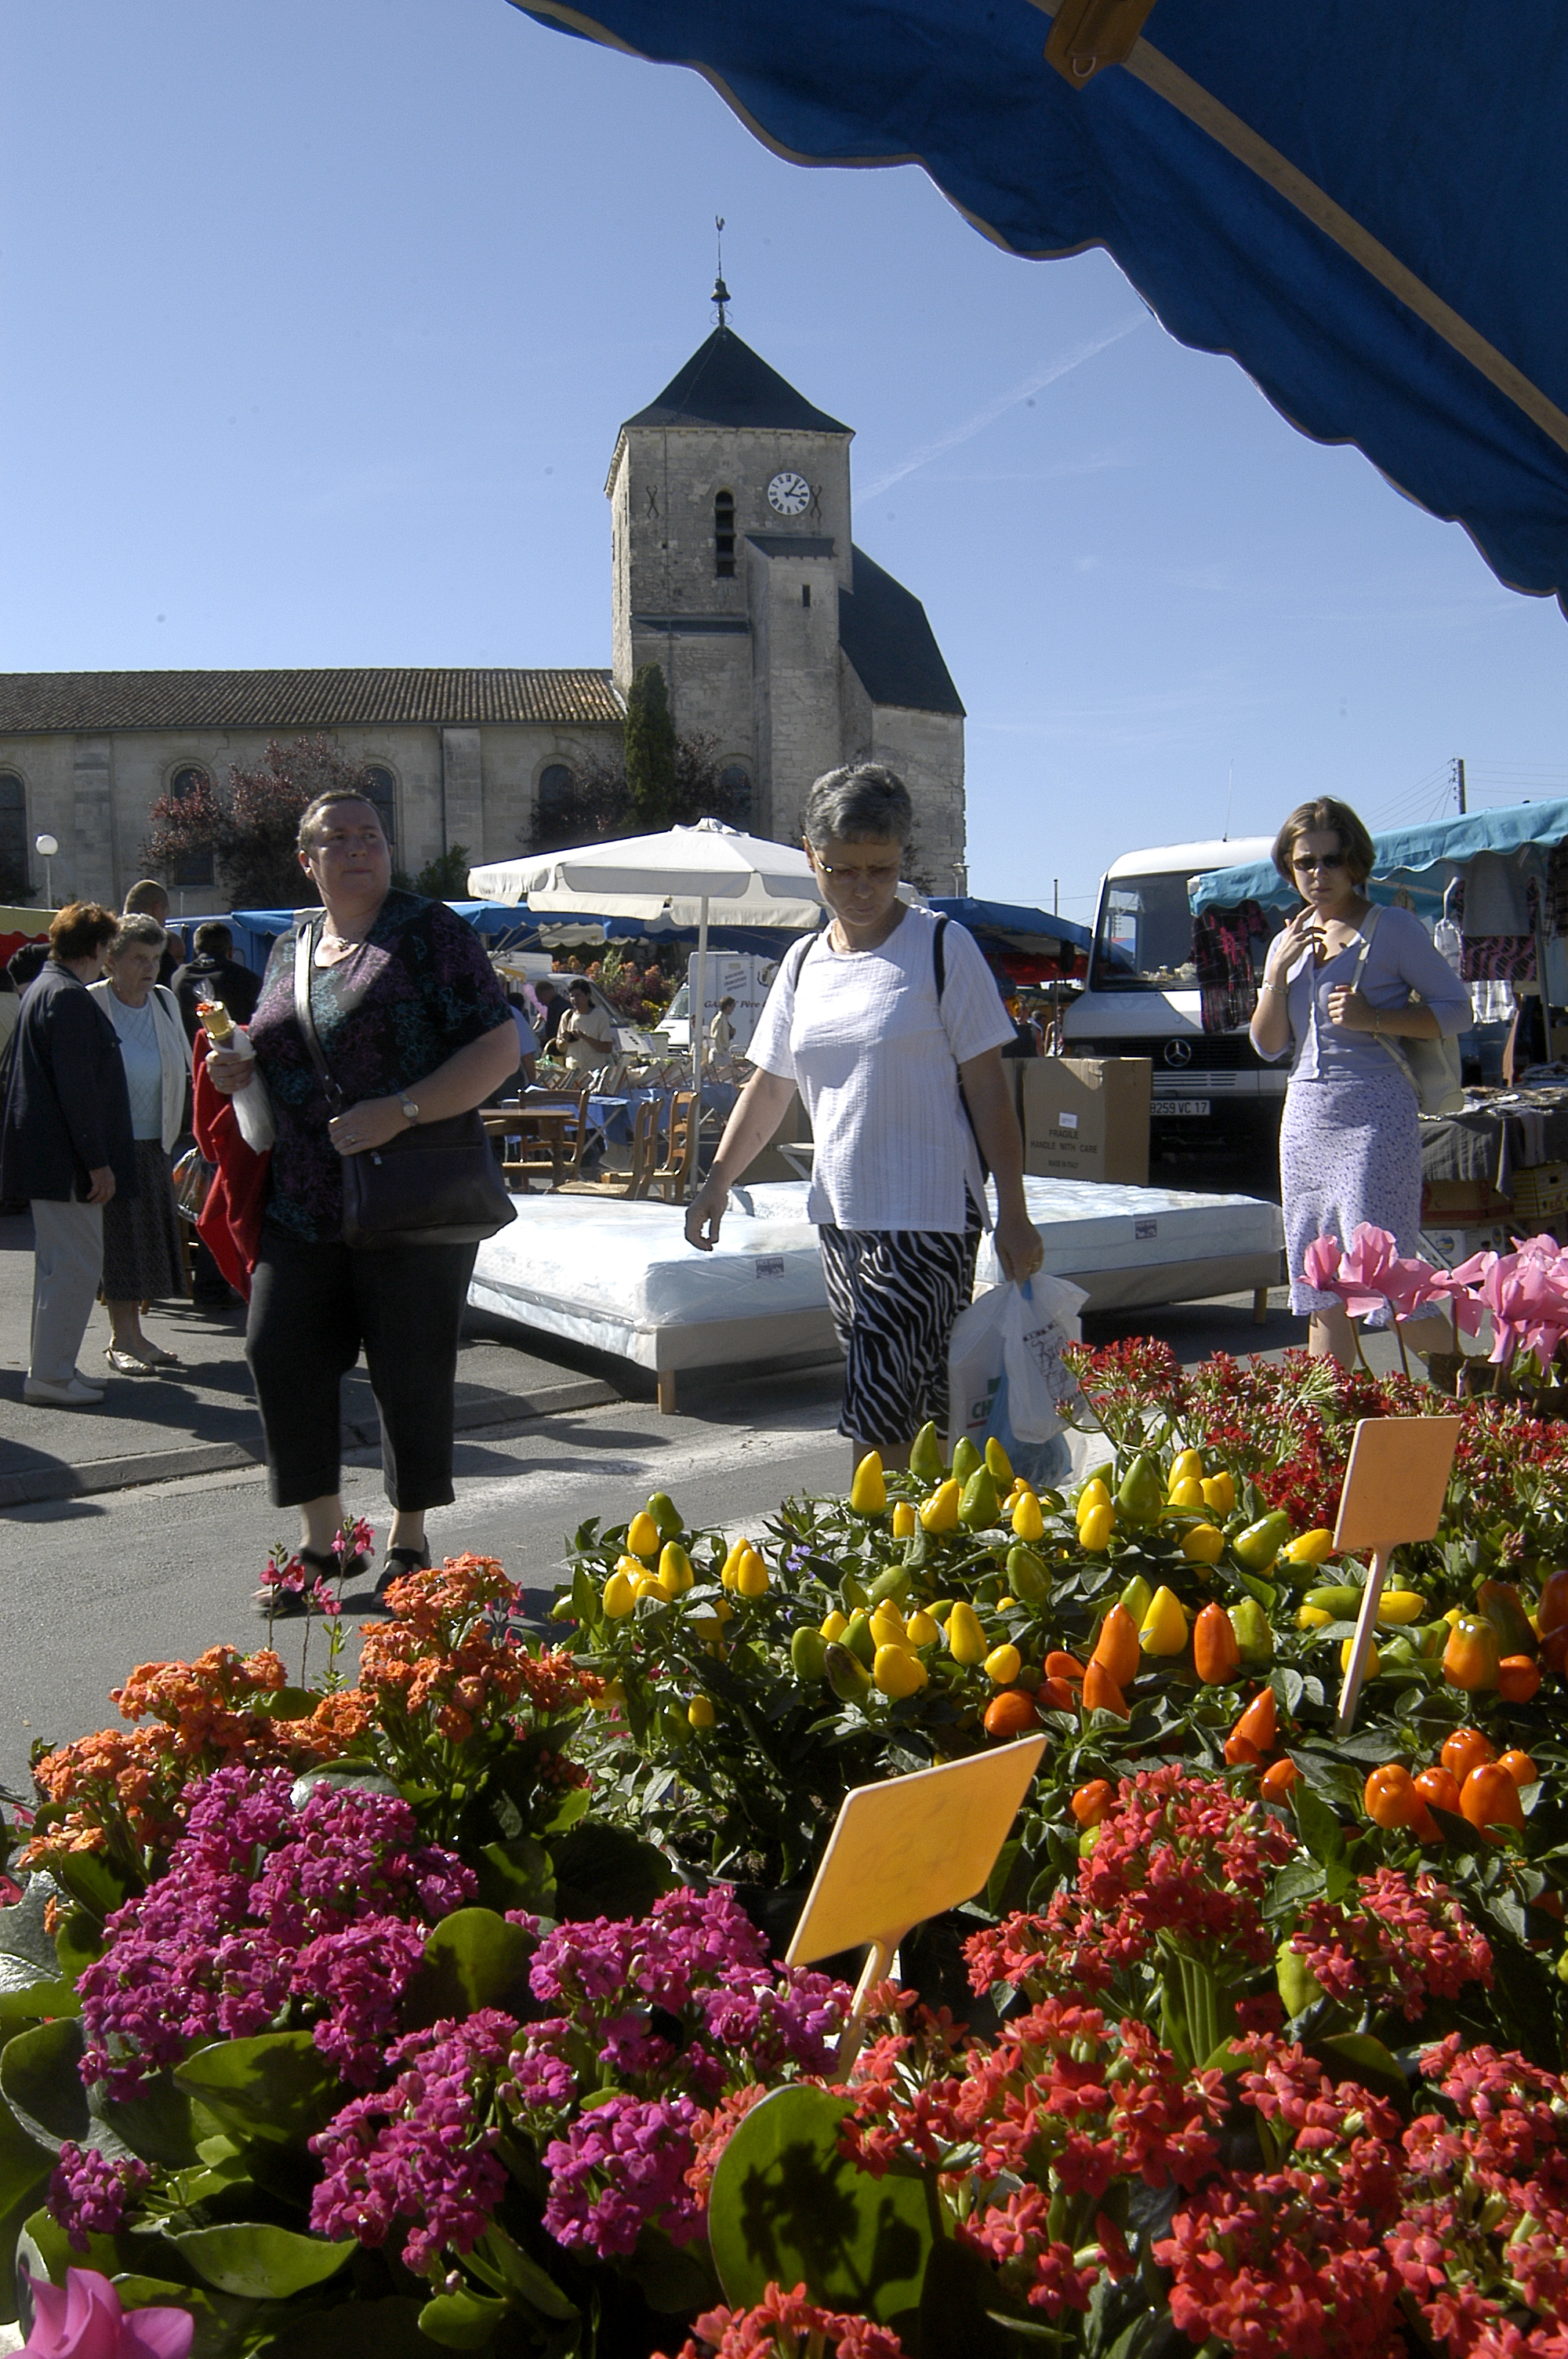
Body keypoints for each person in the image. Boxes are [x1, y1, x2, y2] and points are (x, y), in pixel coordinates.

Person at [204, 787, 517, 1609]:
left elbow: (498, 1043)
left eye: (369, 834)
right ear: (306, 861)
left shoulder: (430, 932)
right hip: (304, 1196)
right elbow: (285, 1049)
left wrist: (403, 1109)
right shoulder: (290, 947)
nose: (355, 848)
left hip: (410, 1192)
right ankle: (327, 1539)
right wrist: (238, 1067)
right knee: (277, 1351)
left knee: (409, 1369)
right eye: (334, 838)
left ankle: (410, 1540)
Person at [685, 762, 1043, 1470]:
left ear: (901, 859)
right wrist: (717, 1179)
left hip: (931, 1215)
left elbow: (989, 1090)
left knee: (877, 1408)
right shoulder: (801, 963)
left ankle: (874, 1553)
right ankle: (935, 1552)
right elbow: (770, 1085)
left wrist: (1016, 1211)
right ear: (810, 855)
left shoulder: (942, 948)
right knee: (923, 1402)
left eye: (880, 869)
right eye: (843, 870)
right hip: (842, 1217)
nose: (863, 888)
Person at [1249, 796, 1468, 1368]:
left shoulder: (1391, 927)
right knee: (1321, 1284)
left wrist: (1376, 1018)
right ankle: (1329, 1429)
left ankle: (1478, 1396)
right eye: (1304, 863)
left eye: (1331, 860)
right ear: (1288, 867)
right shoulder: (1286, 941)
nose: (1318, 875)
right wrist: (1275, 976)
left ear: (1356, 862)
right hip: (1305, 1117)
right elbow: (1269, 1044)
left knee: (1387, 1280)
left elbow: (1457, 1010)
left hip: (1374, 1114)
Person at [0, 903, 135, 1406]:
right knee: (76, 1265)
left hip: (48, 1157)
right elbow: (78, 1091)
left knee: (59, 1265)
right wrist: (97, 1161)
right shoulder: (69, 998)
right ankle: (52, 1376)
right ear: (100, 948)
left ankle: (52, 1367)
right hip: (69, 1161)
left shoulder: (42, 988)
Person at [89, 916, 192, 1372]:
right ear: (110, 959)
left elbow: (183, 1066)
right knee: (120, 1244)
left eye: (155, 958)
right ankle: (120, 1340)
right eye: (138, 958)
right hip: (111, 1145)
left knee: (148, 1242)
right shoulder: (91, 1003)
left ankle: (137, 1337)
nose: (149, 968)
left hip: (157, 1141)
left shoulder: (166, 1001)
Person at [169, 922, 261, 1045]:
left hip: (190, 1056)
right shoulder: (248, 979)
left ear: (195, 952)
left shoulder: (178, 978)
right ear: (231, 952)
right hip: (235, 1056)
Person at [122, 881, 180, 985]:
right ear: (157, 909)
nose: (165, 923)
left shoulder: (106, 944)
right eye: (165, 915)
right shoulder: (155, 946)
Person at [555, 979, 617, 1074]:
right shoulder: (567, 1016)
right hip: (572, 1071)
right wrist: (566, 1039)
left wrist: (585, 1037)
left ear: (587, 996)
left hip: (594, 1070)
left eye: (579, 995)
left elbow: (607, 1048)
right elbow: (560, 1048)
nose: (575, 999)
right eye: (572, 996)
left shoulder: (600, 1016)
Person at [706, 995, 737, 1075]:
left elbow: (723, 1037)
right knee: (722, 1076)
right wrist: (722, 1053)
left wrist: (730, 1034)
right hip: (719, 1054)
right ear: (727, 1006)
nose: (733, 1010)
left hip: (723, 1052)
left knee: (730, 1076)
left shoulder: (725, 1020)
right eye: (732, 1007)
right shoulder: (719, 1020)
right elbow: (715, 1038)